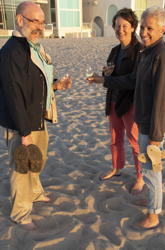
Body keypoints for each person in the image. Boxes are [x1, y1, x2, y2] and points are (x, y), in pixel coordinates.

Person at [89, 6, 165, 230]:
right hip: (144, 120)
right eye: (143, 27)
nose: (144, 32)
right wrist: (106, 78)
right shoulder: (148, 52)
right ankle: (153, 203)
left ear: (163, 29)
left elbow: (162, 98)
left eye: (149, 28)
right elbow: (133, 79)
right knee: (151, 170)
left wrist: (155, 135)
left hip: (151, 125)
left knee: (152, 171)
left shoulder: (160, 54)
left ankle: (153, 217)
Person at [0, 1, 71, 231]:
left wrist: (56, 85)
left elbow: (35, 81)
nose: (40, 26)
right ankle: (20, 213)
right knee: (21, 166)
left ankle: (36, 192)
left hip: (36, 116)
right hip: (21, 122)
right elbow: (13, 94)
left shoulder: (33, 46)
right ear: (20, 20)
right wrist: (24, 131)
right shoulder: (12, 51)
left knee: (36, 160)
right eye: (35, 21)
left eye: (42, 21)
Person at [89, 8, 144, 193]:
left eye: (125, 26)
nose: (120, 30)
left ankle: (140, 176)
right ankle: (116, 167)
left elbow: (133, 80)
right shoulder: (114, 50)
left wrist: (104, 79)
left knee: (135, 142)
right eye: (117, 26)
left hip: (130, 103)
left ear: (133, 27)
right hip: (113, 100)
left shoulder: (139, 50)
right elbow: (113, 73)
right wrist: (106, 74)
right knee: (114, 139)